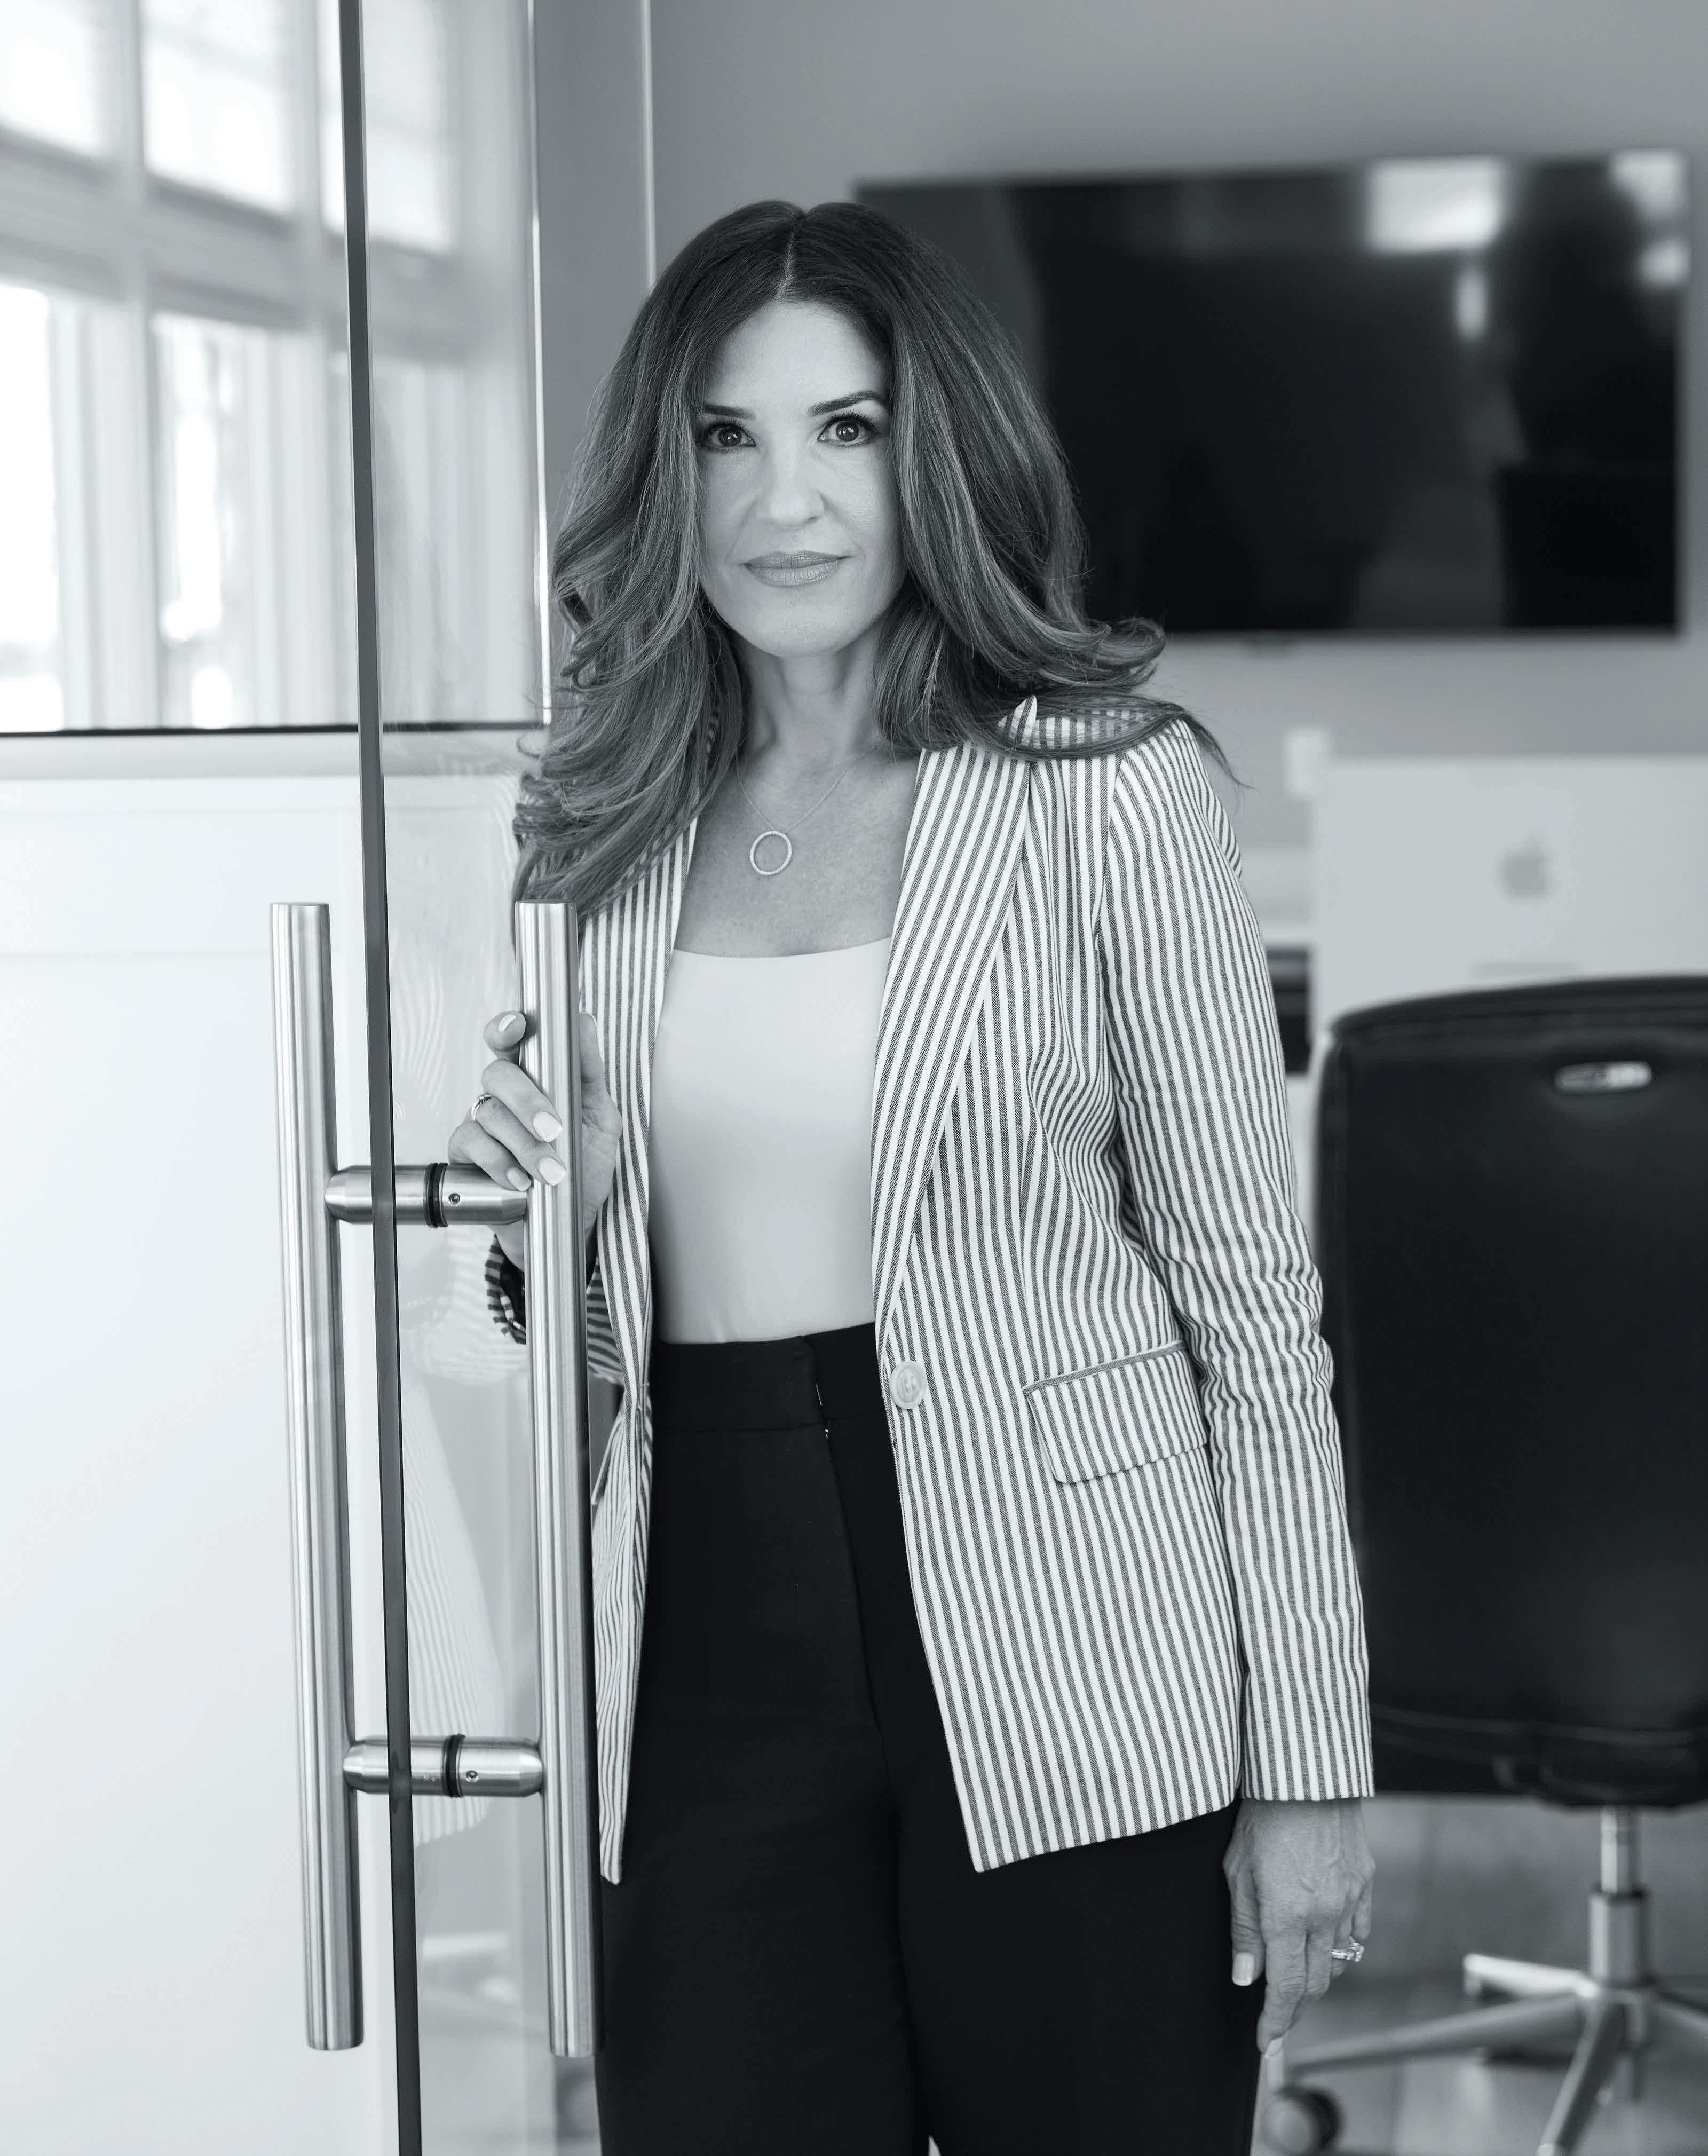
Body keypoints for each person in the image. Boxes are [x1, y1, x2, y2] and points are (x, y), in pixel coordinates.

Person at [452, 199, 1374, 2156]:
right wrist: (542, 1218)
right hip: (699, 1653)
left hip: (1073, 1631)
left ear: (932, 453)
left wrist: (1308, 1764)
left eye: (846, 431)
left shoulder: (1104, 786)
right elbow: (577, 1362)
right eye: (727, 437)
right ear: (666, 476)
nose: (783, 501)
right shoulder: (600, 830)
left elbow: (1253, 1314)